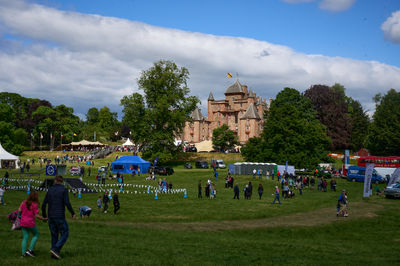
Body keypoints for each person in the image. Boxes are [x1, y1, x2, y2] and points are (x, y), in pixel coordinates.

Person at [41, 176, 75, 259]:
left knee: (54, 235)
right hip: (59, 216)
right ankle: (56, 249)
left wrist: (44, 215)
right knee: (65, 233)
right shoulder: (64, 190)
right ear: (62, 181)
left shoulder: (50, 190)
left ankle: (54, 254)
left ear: (55, 181)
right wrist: (72, 213)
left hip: (51, 216)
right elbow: (67, 202)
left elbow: (43, 204)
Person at [19, 191, 48, 258]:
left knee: (25, 237)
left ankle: (23, 254)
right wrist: (43, 219)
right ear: (36, 197)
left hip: (22, 222)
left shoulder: (24, 202)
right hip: (30, 223)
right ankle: (30, 250)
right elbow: (37, 215)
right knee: (36, 234)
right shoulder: (35, 205)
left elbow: (19, 210)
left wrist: (20, 216)